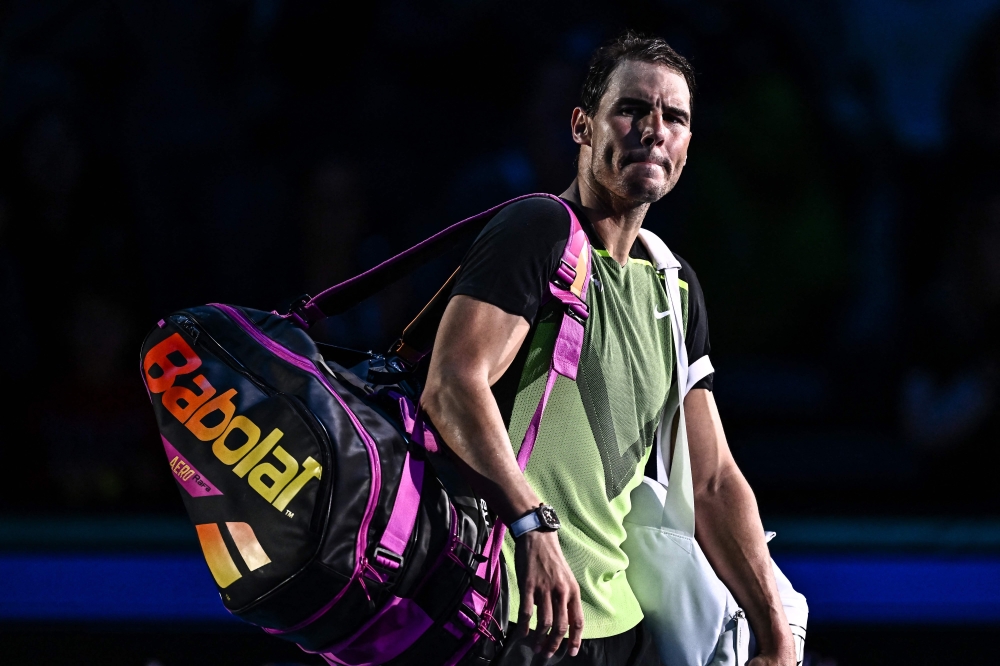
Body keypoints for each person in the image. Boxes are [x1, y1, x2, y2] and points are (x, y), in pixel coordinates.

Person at [421, 31, 796, 666]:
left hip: (617, 629)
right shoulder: (538, 229)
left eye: (674, 118)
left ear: (687, 146)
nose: (654, 130)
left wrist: (777, 637)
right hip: (508, 609)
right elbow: (453, 384)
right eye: (631, 109)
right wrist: (530, 525)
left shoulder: (675, 288)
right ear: (582, 126)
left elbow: (712, 480)